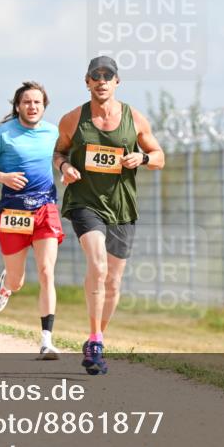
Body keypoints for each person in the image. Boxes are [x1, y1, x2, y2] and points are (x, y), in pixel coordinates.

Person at [53, 56, 165, 375]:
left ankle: (95, 338)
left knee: (113, 282)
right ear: (86, 82)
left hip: (122, 206)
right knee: (98, 265)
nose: (101, 81)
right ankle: (95, 338)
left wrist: (141, 158)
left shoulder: (135, 118)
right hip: (85, 201)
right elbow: (59, 151)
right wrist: (65, 166)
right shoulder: (73, 119)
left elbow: (159, 156)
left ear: (117, 82)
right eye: (95, 76)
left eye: (108, 76)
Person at [0, 81, 64, 359]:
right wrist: (3, 177)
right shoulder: (3, 134)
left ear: (44, 106)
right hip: (13, 213)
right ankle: (6, 285)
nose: (32, 106)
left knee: (47, 271)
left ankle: (47, 340)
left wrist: (66, 169)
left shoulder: (53, 133)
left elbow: (62, 157)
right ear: (17, 106)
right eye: (27, 102)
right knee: (18, 280)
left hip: (45, 208)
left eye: (37, 102)